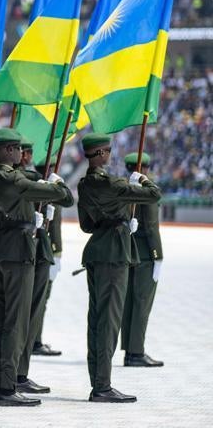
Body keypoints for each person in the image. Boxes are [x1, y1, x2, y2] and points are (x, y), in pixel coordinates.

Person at [0, 128, 69, 407]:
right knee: (16, 322)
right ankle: (7, 388)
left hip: (0, 250)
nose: (22, 153)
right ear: (8, 151)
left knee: (1, 320)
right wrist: (56, 182)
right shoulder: (14, 179)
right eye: (18, 148)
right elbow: (64, 196)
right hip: (19, 251)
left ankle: (0, 381)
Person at [77, 133, 161, 403]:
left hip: (96, 252)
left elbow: (86, 225)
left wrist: (116, 219)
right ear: (100, 154)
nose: (110, 155)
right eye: (108, 151)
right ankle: (102, 386)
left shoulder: (84, 184)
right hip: (115, 254)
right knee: (109, 323)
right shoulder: (113, 184)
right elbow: (154, 194)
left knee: (96, 320)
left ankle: (98, 381)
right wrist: (141, 179)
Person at [16, 142, 73, 394]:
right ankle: (15, 373)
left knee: (35, 309)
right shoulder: (30, 182)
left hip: (42, 251)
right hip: (26, 252)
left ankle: (20, 370)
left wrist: (56, 250)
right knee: (23, 313)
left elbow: (60, 215)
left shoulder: (40, 183)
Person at [121, 151, 164, 368]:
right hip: (146, 254)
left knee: (129, 302)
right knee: (142, 303)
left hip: (128, 252)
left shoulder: (123, 187)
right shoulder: (147, 190)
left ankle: (129, 349)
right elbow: (151, 226)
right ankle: (136, 352)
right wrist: (158, 255)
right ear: (144, 169)